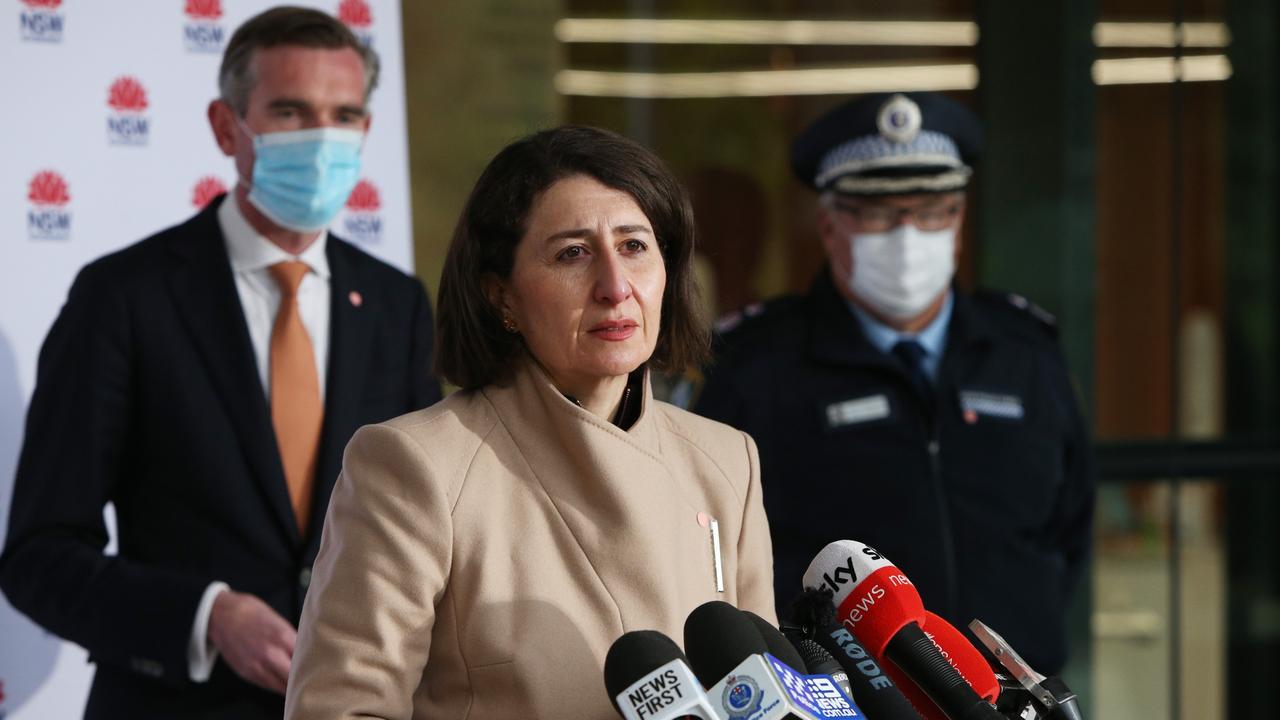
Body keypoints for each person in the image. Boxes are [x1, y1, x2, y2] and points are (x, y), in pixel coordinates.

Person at [0, 7, 441, 718]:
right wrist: (204, 617)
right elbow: (39, 557)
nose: (323, 138)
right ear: (225, 125)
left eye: (345, 115)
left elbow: (427, 529)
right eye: (291, 111)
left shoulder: (397, 306)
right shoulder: (123, 297)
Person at [284, 126, 776, 719]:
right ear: (501, 297)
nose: (615, 288)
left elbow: (761, 692)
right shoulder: (414, 466)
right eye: (573, 253)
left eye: (635, 246)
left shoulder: (726, 460)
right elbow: (341, 709)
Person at [694, 92, 1094, 674]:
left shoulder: (1023, 354)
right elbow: (720, 550)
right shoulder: (759, 365)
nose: (909, 234)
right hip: (847, 701)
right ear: (829, 225)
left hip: (1016, 696)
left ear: (958, 223)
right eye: (878, 212)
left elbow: (1069, 528)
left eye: (933, 209)